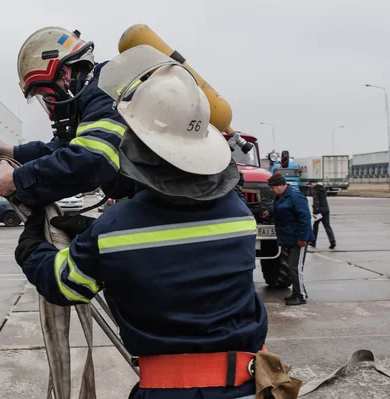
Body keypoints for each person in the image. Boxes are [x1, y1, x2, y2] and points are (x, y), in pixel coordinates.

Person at [14, 60, 268, 398]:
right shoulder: (238, 215)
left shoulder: (115, 230)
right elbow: (176, 242)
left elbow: (63, 283)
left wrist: (32, 246)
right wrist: (98, 236)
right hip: (246, 387)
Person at [0, 27, 135, 207]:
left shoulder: (109, 87)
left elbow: (92, 160)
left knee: (88, 236)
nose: (49, 103)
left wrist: (15, 180)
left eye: (45, 94)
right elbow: (63, 147)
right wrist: (12, 151)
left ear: (64, 74)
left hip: (161, 207)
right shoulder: (91, 95)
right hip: (149, 202)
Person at [263, 173, 314, 306]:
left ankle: (300, 296)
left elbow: (305, 218)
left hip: (298, 239)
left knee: (295, 267)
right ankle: (299, 292)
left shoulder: (295, 196)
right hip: (290, 238)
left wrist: (302, 238)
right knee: (293, 267)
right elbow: (281, 208)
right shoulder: (281, 196)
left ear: (280, 185)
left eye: (272, 187)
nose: (271, 190)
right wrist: (270, 212)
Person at [309, 181, 336, 249]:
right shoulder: (323, 189)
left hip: (319, 211)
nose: (310, 185)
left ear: (314, 183)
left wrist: (315, 211)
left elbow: (316, 201)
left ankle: (313, 242)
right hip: (326, 209)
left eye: (311, 184)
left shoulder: (315, 190)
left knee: (315, 226)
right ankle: (332, 241)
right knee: (327, 226)